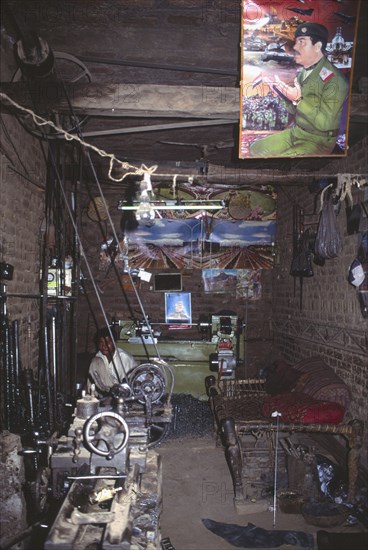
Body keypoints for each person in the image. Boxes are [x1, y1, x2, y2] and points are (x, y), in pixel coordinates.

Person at [249, 22, 349, 157]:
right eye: (296, 42)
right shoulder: (303, 74)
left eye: (302, 42)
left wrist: (298, 99)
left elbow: (324, 124)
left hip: (319, 140)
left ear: (317, 46)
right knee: (256, 149)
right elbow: (294, 110)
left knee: (283, 158)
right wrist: (279, 91)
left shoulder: (335, 80)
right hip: (297, 132)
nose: (295, 47)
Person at [87, 327, 137, 398]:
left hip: (124, 391)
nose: (104, 346)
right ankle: (92, 396)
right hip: (107, 390)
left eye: (107, 342)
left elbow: (128, 384)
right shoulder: (99, 356)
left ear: (114, 342)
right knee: (95, 361)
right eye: (101, 342)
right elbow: (92, 376)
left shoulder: (123, 358)